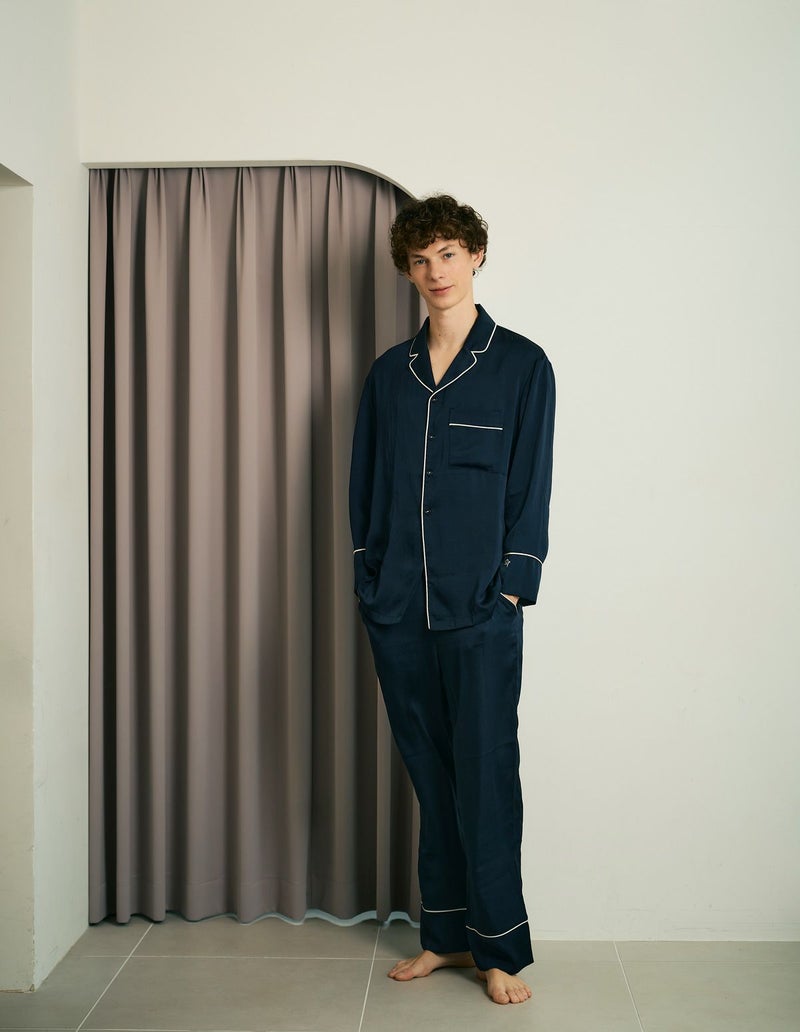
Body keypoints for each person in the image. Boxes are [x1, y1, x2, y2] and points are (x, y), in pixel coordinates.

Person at [349, 194, 555, 1005]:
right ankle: (444, 935)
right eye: (420, 259)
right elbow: (365, 486)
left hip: (481, 611)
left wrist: (512, 587)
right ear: (407, 271)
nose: (435, 271)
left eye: (447, 253)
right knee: (431, 778)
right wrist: (370, 581)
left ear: (476, 256)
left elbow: (531, 485)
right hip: (399, 610)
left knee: (486, 775)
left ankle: (499, 948)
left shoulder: (522, 366)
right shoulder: (387, 377)